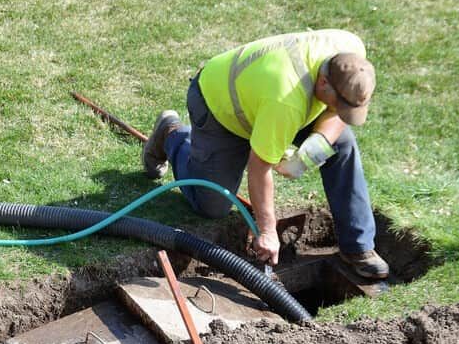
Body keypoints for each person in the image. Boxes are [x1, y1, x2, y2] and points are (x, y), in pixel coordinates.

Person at [141, 29, 389, 279]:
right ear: (323, 82)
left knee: (342, 144)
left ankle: (358, 247)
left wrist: (311, 152)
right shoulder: (285, 100)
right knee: (212, 205)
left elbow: (337, 117)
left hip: (264, 100)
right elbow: (259, 167)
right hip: (220, 107)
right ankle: (172, 134)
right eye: (340, 104)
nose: (342, 112)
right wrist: (268, 231)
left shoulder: (351, 52)